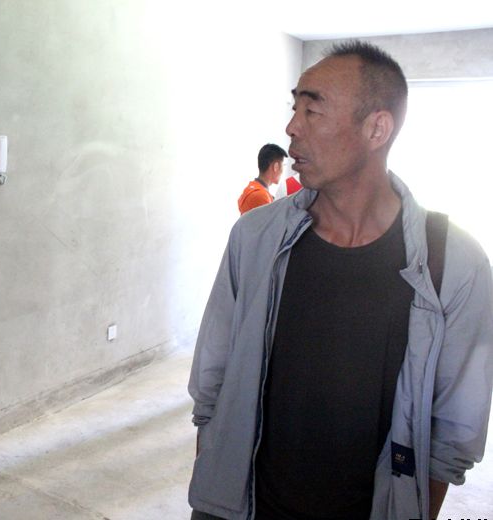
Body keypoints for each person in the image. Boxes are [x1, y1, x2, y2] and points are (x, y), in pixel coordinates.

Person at [188, 41, 493, 520]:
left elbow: (452, 434)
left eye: (313, 110)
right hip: (245, 507)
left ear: (376, 129)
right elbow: (212, 384)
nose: (292, 127)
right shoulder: (256, 237)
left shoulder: (454, 263)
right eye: (295, 108)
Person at [237, 143, 287, 215]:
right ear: (275, 167)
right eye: (283, 165)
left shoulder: (251, 189)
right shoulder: (261, 196)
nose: (283, 170)